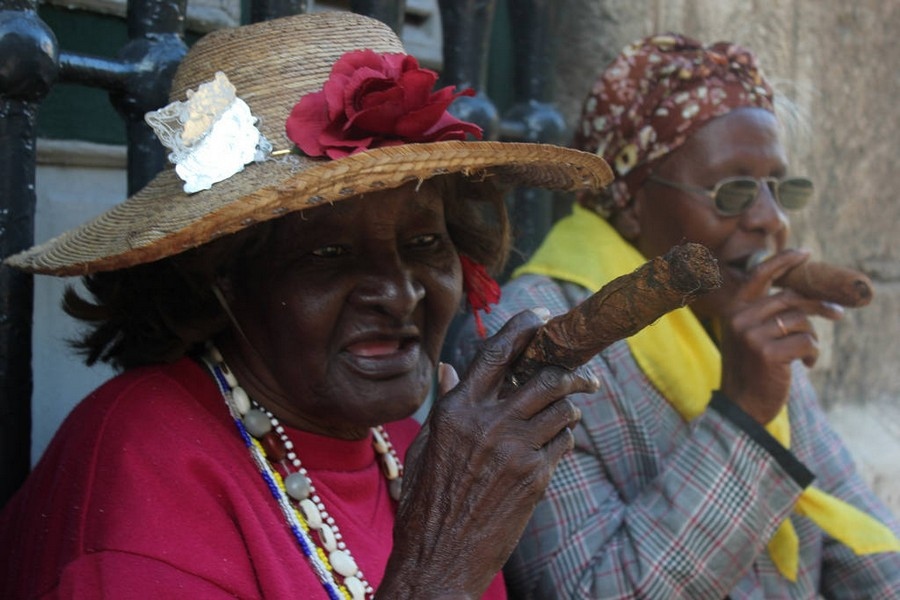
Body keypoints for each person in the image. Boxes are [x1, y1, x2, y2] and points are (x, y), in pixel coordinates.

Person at [0, 11, 613, 599]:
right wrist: (441, 563)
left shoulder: (409, 446)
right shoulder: (143, 468)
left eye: (424, 243)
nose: (399, 292)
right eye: (330, 252)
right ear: (222, 275)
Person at [449, 33, 900, 598]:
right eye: (732, 191)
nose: (771, 219)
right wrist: (745, 415)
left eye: (781, 189)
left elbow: (864, 548)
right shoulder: (532, 333)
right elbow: (593, 591)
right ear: (631, 202)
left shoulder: (737, 316)